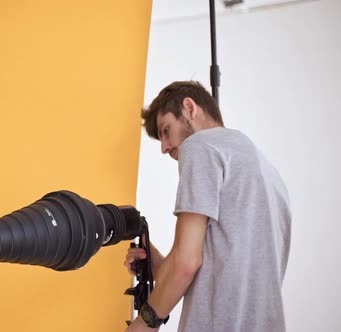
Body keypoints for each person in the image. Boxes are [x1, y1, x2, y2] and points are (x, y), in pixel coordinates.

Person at [124, 81, 291, 332]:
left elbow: (186, 262)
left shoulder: (201, 145)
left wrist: (145, 322)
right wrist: (159, 266)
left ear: (189, 107)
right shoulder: (268, 173)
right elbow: (227, 268)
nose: (164, 147)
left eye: (166, 130)